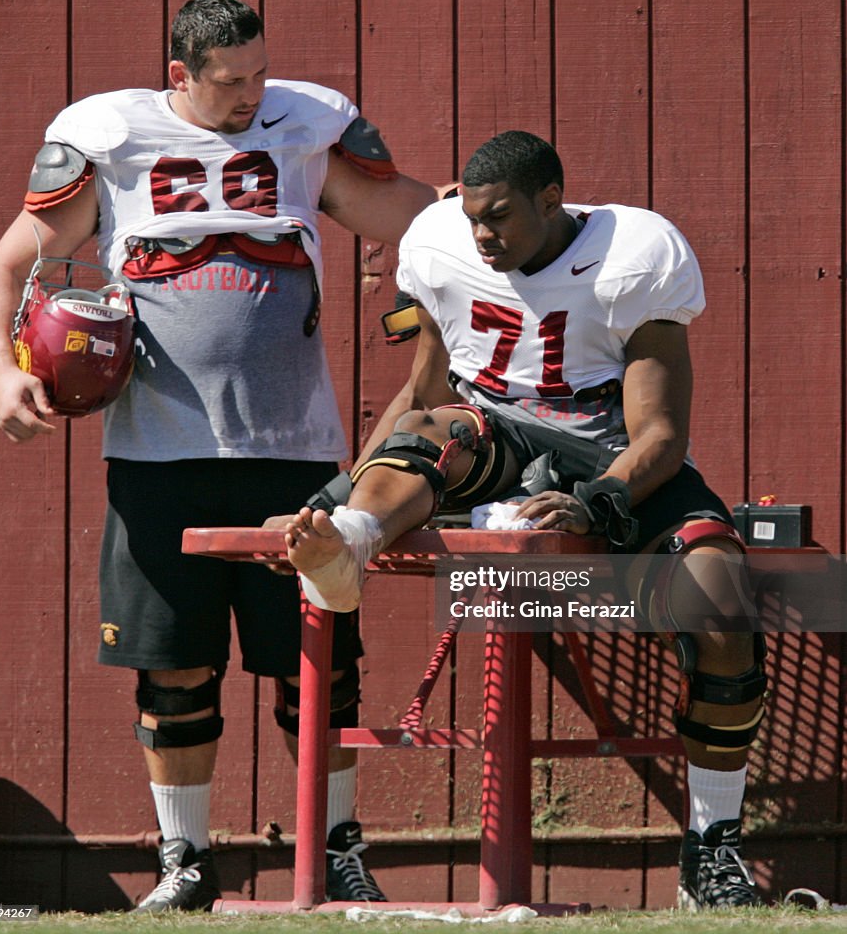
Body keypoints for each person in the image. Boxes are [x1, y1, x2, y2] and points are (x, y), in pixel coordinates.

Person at [0, 0, 442, 911]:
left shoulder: (304, 129)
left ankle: (335, 842)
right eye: (231, 80)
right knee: (174, 665)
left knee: (320, 661)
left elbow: (406, 215)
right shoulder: (111, 137)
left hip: (296, 449)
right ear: (179, 74)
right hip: (160, 452)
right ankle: (183, 860)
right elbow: (2, 268)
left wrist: (444, 229)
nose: (252, 94)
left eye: (262, 72)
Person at [284, 130, 767, 910]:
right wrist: (337, 501)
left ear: (552, 201)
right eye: (473, 217)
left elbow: (659, 436)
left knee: (720, 594)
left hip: (607, 455)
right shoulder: (441, 243)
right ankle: (353, 547)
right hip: (496, 440)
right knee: (439, 431)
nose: (481, 234)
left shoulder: (632, 254)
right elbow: (420, 396)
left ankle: (711, 849)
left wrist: (592, 500)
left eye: (500, 217)